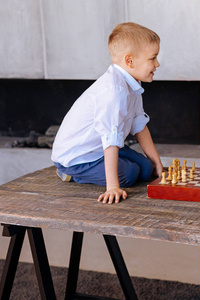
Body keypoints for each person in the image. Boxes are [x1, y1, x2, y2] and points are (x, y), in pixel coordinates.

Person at [51, 22, 163, 204]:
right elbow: (110, 139)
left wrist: (157, 162)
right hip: (77, 157)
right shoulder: (114, 91)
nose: (157, 64)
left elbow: (139, 125)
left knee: (146, 168)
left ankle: (139, 166)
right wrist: (112, 187)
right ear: (130, 61)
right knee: (131, 174)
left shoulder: (133, 84)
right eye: (153, 58)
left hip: (99, 150)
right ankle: (70, 174)